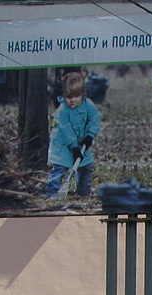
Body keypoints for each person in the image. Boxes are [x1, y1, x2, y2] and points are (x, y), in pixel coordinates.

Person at [45, 71, 102, 200]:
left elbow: (95, 119)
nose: (72, 100)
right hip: (64, 145)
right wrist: (74, 147)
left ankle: (83, 193)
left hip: (82, 143)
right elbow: (66, 130)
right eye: (68, 96)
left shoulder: (88, 105)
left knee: (85, 167)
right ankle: (52, 193)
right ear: (63, 95)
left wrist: (89, 137)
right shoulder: (62, 111)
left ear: (82, 94)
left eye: (76, 96)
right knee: (59, 168)